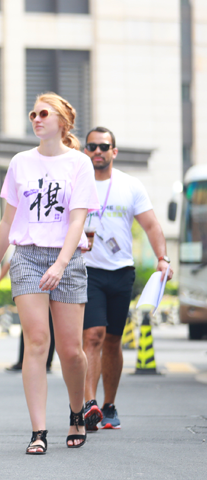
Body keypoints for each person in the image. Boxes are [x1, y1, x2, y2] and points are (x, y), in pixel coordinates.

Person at [0, 93, 99, 454]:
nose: (36, 118)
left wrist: (61, 263)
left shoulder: (79, 164)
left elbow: (78, 219)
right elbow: (8, 220)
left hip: (67, 260)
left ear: (62, 123)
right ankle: (38, 431)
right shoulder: (20, 162)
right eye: (33, 113)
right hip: (27, 258)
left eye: (43, 113)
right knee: (36, 343)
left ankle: (77, 412)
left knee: (71, 351)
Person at [79, 126, 172, 431]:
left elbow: (153, 226)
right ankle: (88, 404)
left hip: (121, 272)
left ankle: (108, 405)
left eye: (103, 146)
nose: (97, 151)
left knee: (113, 341)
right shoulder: (77, 185)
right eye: (91, 146)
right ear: (85, 151)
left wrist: (162, 259)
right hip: (87, 270)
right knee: (93, 335)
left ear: (114, 152)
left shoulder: (130, 186)